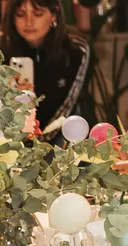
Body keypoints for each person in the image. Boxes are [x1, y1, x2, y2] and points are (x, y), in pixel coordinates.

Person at [0, 0, 88, 142]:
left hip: (59, 134)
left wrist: (37, 144)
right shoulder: (3, 49)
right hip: (12, 138)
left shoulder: (75, 50)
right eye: (20, 14)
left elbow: (66, 108)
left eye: (38, 14)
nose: (29, 22)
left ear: (53, 15)